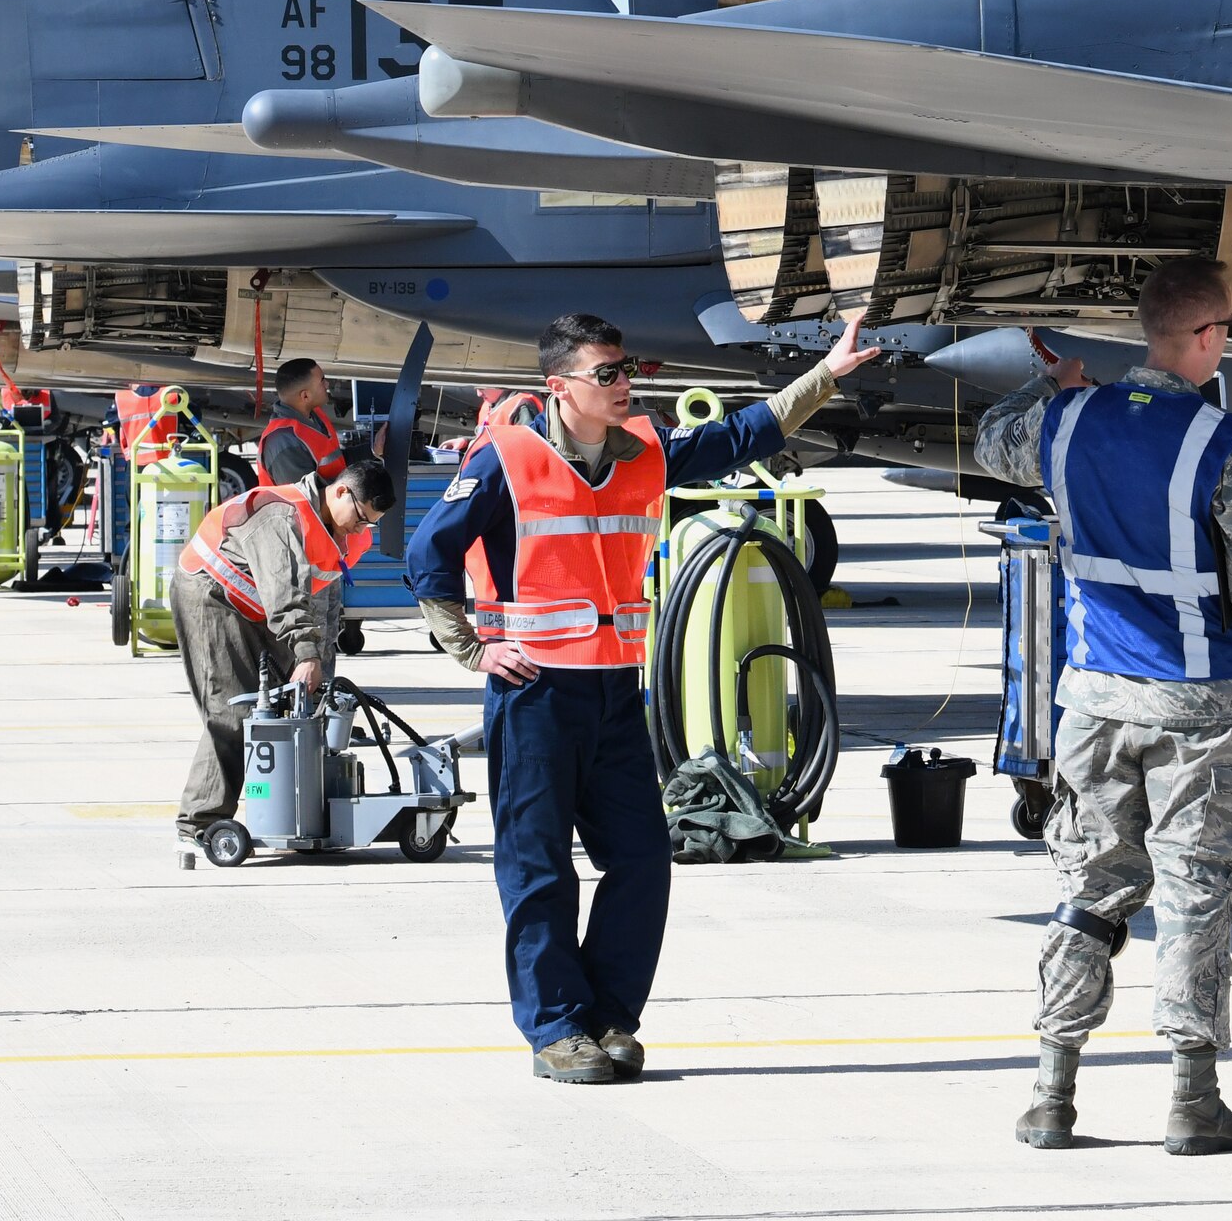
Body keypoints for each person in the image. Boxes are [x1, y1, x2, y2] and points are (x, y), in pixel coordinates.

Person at [406, 311, 878, 1084]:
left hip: (617, 695)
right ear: (559, 388)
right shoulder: (506, 460)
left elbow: (744, 435)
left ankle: (609, 1016)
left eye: (626, 369)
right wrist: (472, 648)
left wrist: (826, 372)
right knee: (539, 867)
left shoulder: (647, 453)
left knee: (643, 858)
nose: (625, 384)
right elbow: (429, 553)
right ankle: (556, 1028)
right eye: (608, 374)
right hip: (534, 698)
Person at [972, 257, 1232, 1156]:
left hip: (1094, 704)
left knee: (1088, 891)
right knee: (1195, 901)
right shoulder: (1223, 442)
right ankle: (1194, 1104)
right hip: (1199, 711)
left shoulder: (1069, 420)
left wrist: (1052, 384)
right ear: (1204, 338)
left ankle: (1051, 1092)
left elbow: (989, 441)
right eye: (1227, 328)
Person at [172, 454, 394, 844]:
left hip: (255, 604)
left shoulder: (342, 530)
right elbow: (285, 596)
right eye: (360, 517)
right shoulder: (279, 517)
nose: (361, 529)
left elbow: (317, 600)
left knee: (292, 701)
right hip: (212, 594)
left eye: (369, 523)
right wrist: (306, 655)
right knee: (235, 710)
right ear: (340, 491)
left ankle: (294, 811)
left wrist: (314, 663)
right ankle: (199, 823)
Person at [256, 358, 366, 486]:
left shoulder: (312, 416)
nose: (327, 384)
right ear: (305, 396)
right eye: (322, 381)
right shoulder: (284, 442)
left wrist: (373, 449)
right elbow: (308, 499)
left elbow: (336, 461)